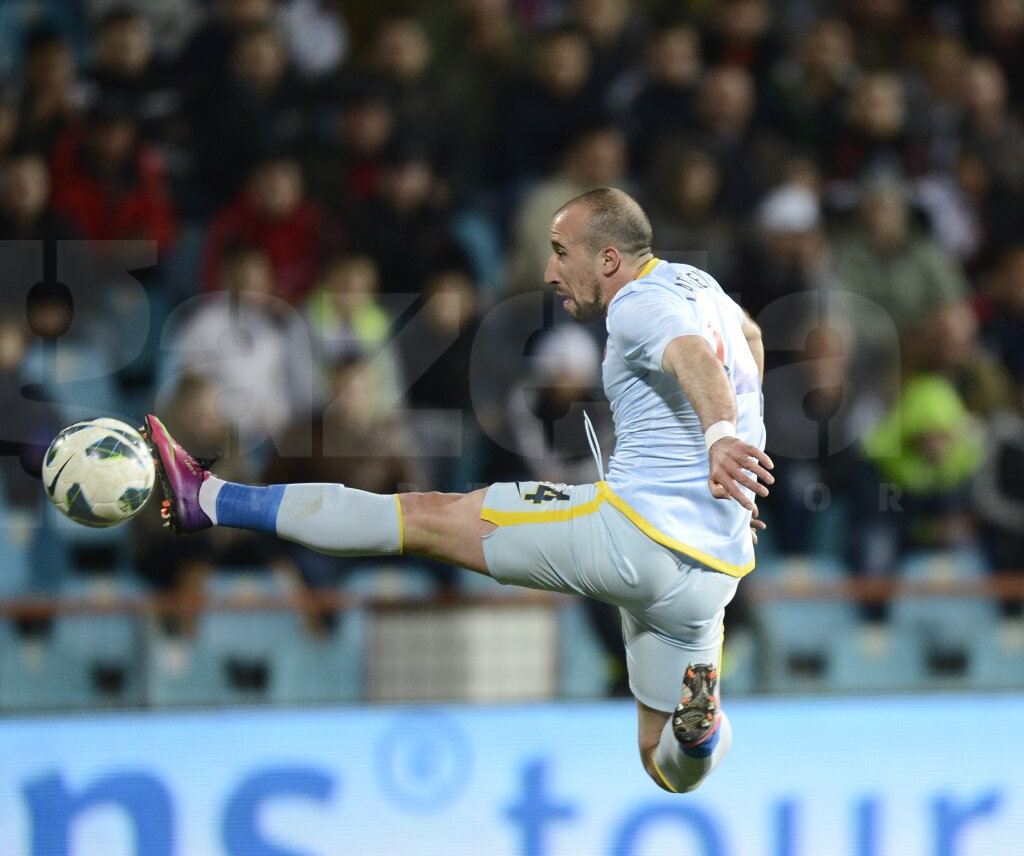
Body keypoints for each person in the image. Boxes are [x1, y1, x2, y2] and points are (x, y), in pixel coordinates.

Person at [140, 188, 772, 794]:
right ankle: (703, 735)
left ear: (608, 259)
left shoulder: (637, 303)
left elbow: (693, 357)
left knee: (419, 518)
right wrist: (736, 467)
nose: (550, 272)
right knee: (661, 759)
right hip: (711, 570)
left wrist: (722, 440)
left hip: (633, 535)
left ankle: (210, 498)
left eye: (561, 252)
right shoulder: (701, 287)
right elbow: (751, 340)